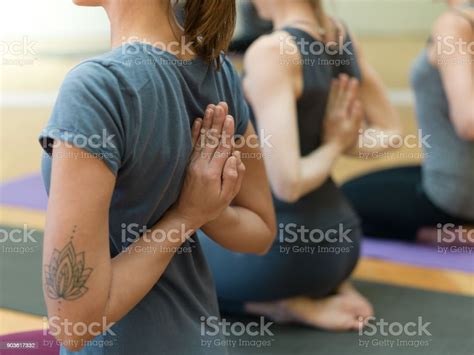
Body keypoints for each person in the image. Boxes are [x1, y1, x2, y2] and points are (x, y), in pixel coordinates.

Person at [38, 0, 276, 354]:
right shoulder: (218, 69)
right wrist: (204, 210)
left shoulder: (96, 88)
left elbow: (72, 324)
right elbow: (261, 231)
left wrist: (187, 216)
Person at [200, 0, 401, 331]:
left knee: (163, 260)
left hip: (287, 256)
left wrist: (336, 143)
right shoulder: (339, 34)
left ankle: (282, 305)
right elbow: (392, 132)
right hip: (343, 244)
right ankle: (323, 288)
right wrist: (339, 141)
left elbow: (288, 184)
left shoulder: (271, 51)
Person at [342, 0, 474, 244]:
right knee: (361, 186)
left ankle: (452, 235)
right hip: (450, 176)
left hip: (457, 194)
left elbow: (468, 122)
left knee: (342, 203)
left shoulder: (454, 25)